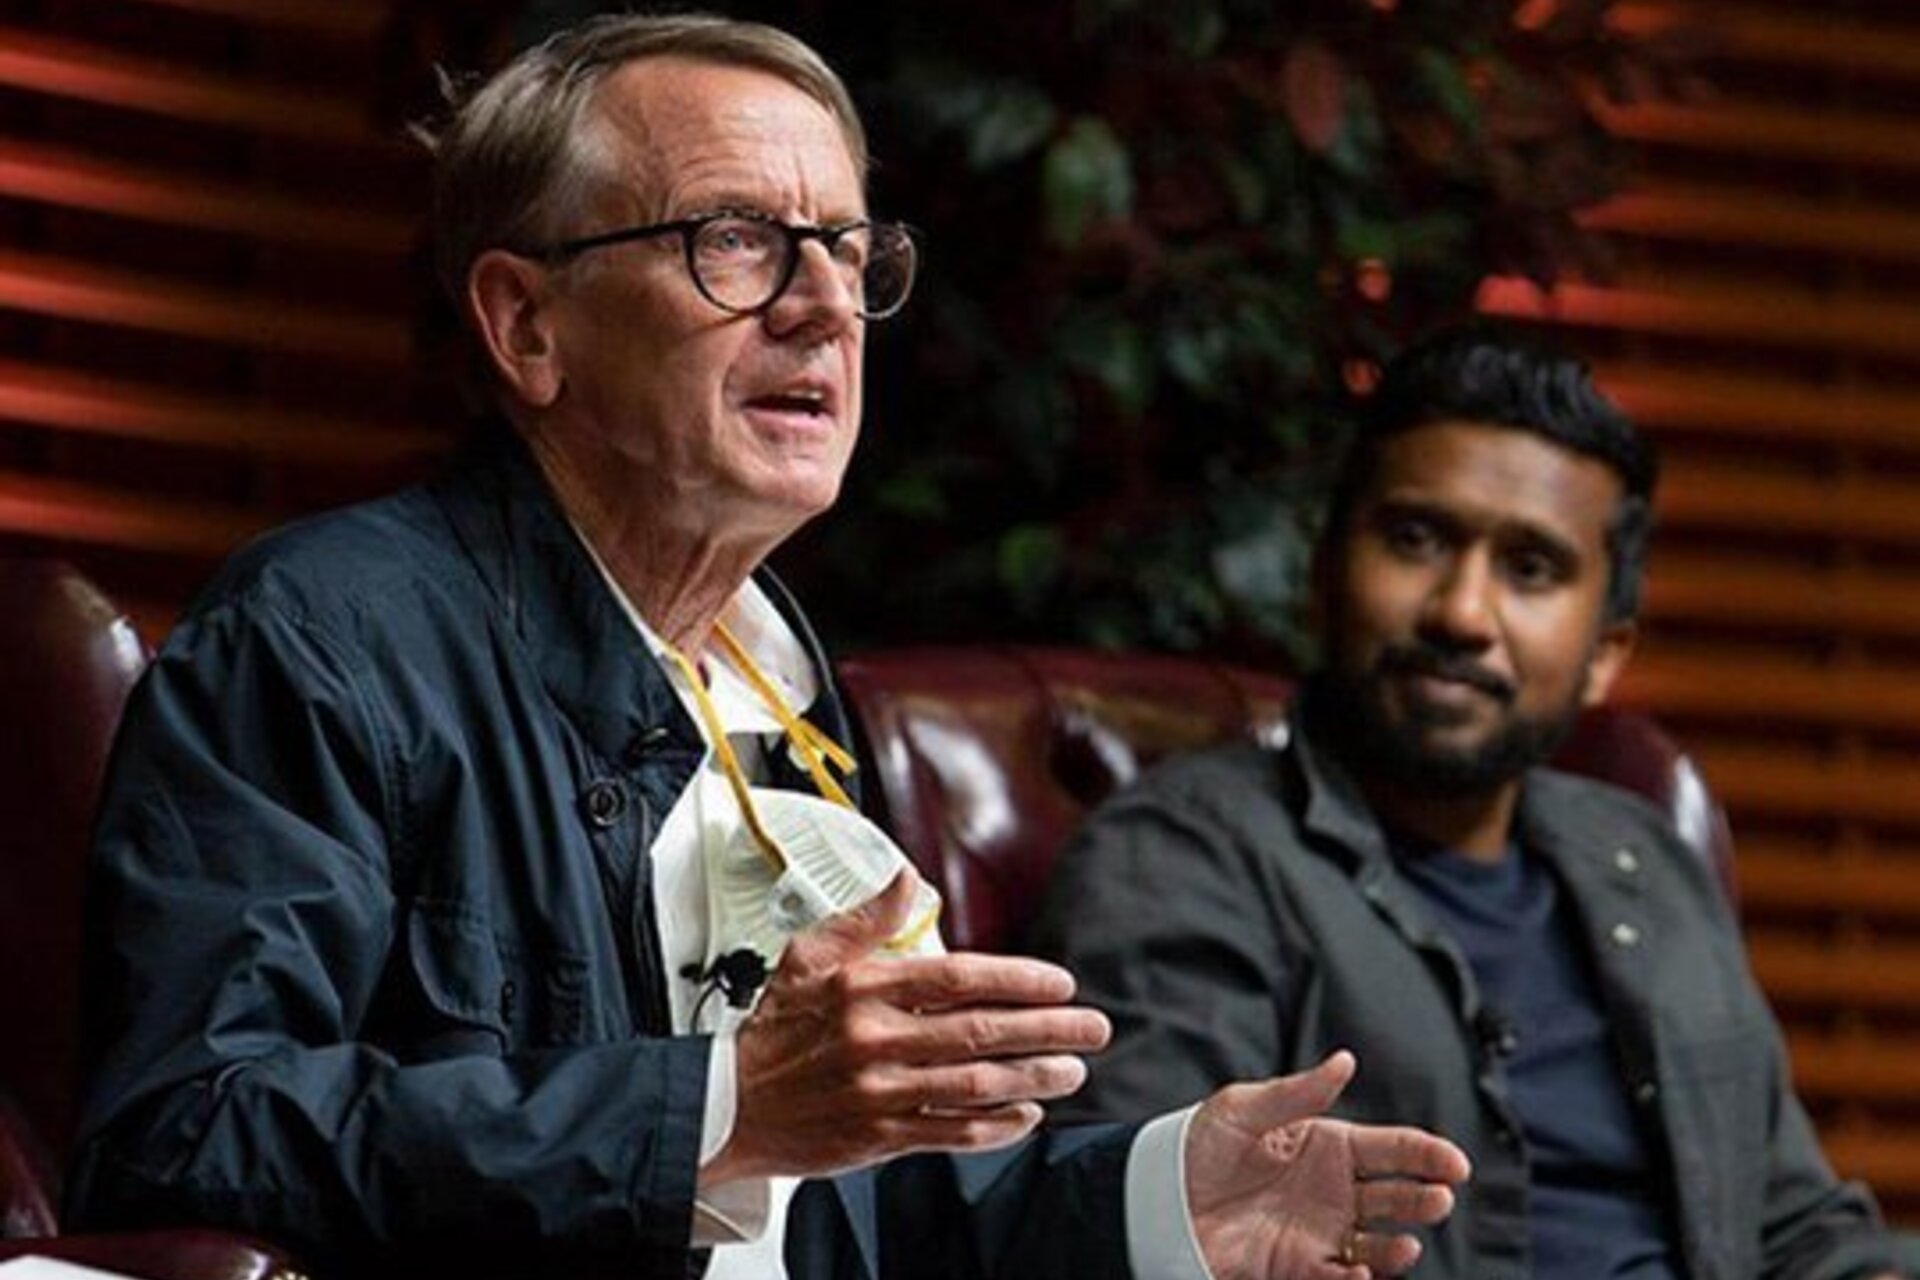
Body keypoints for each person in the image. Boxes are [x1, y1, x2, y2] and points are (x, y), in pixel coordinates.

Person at [62, 13, 1470, 1280]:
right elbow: (187, 1132)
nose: (821, 306)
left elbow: (836, 1222)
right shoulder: (328, 635)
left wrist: (1159, 1203)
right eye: (731, 240)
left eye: (849, 251)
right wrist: (719, 1106)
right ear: (524, 322)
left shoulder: (777, 671)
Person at [1026, 326, 1911, 1280]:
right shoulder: (1182, 858)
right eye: (1415, 539)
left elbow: (1801, 1236)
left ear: (1607, 649)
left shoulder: (1647, 862)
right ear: (1324, 574)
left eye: (1530, 568)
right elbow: (1144, 1246)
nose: (1461, 612)